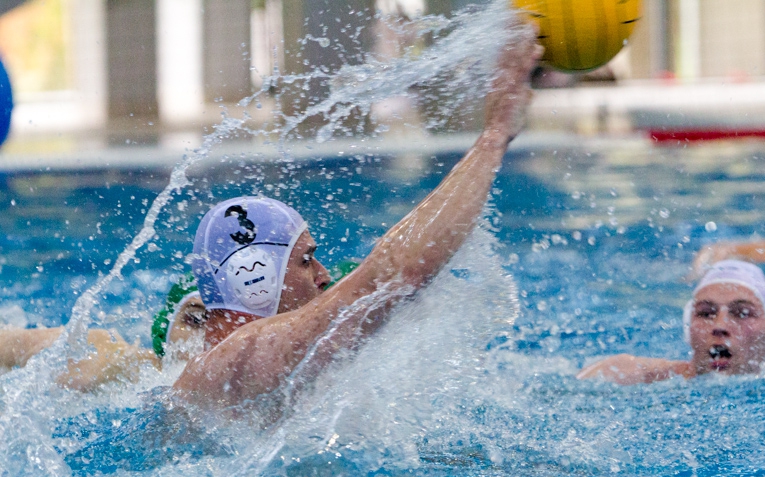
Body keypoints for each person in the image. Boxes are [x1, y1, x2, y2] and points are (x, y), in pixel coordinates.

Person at [171, 25, 542, 413]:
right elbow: (395, 275)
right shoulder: (239, 359)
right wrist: (495, 134)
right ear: (254, 278)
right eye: (304, 260)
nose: (324, 274)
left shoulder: (211, 365)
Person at [577, 260, 765, 385]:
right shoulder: (633, 375)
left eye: (742, 313)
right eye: (705, 313)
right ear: (688, 326)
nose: (720, 325)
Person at [0, 276, 207, 391]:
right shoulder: (103, 354)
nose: (210, 337)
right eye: (196, 320)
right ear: (163, 329)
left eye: (230, 327)